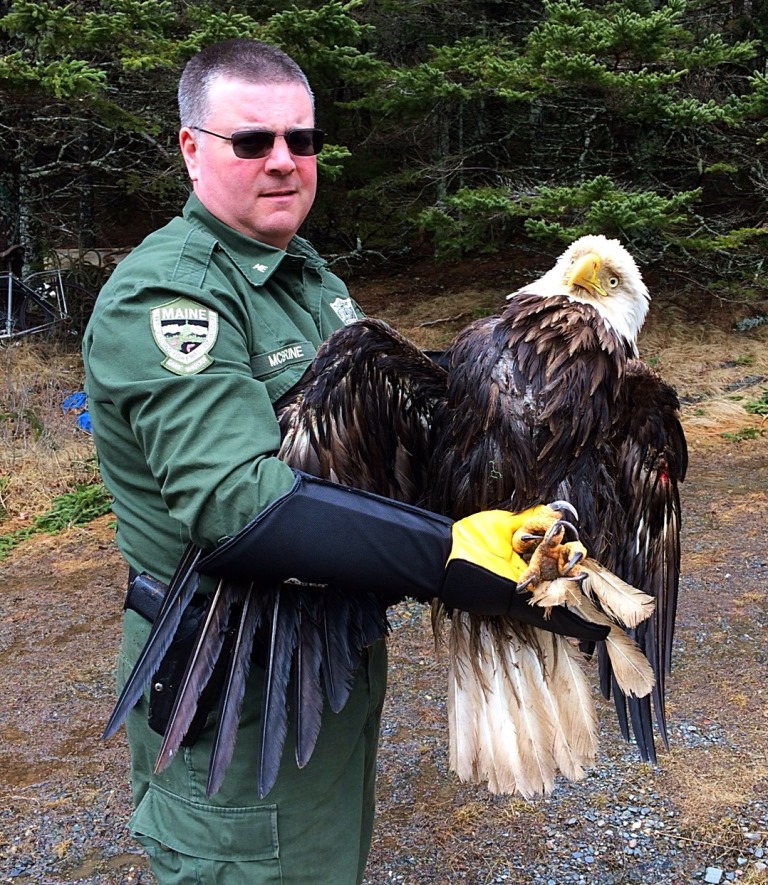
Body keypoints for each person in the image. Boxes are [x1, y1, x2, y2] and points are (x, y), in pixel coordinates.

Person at [83, 38, 606, 884]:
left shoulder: (306, 280)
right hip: (234, 678)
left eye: (303, 139)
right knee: (257, 866)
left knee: (322, 864)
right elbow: (237, 502)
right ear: (191, 147)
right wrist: (447, 555)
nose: (284, 161)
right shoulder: (172, 295)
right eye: (252, 141)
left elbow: (387, 438)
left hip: (329, 652)